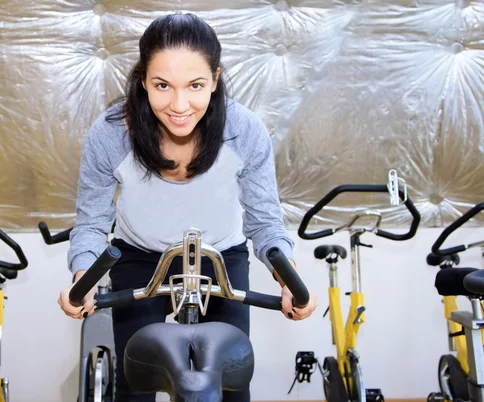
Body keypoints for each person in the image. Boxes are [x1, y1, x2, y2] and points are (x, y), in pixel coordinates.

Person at [58, 12, 317, 401]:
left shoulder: (243, 131)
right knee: (134, 382)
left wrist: (289, 281)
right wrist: (83, 278)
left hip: (220, 257)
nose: (180, 105)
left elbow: (265, 224)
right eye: (162, 85)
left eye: (195, 85)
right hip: (140, 256)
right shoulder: (111, 134)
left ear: (215, 79)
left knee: (232, 380)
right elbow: (93, 222)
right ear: (143, 80)